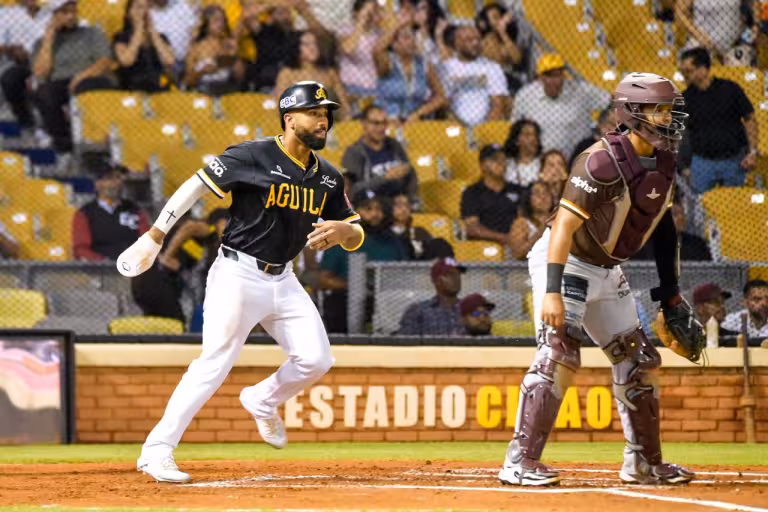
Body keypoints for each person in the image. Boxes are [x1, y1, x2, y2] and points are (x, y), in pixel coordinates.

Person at [116, 81, 364, 483]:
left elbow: (355, 233)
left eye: (326, 114)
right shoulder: (253, 154)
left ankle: (261, 399)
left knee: (317, 359)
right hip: (237, 273)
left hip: (284, 278)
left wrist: (344, 231)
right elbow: (197, 184)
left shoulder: (330, 178)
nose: (323, 120)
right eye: (315, 113)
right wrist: (157, 235)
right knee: (214, 363)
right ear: (289, 119)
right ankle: (156, 450)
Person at [498, 73, 700, 487]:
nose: (669, 117)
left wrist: (671, 295)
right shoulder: (600, 160)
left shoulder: (664, 161)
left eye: (669, 108)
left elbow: (663, 229)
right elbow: (563, 229)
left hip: (608, 268)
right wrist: (552, 292)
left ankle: (644, 464)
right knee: (560, 353)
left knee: (640, 360)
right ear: (634, 113)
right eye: (660, 109)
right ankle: (519, 462)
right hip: (566, 259)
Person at [32, 0, 115, 154]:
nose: (71, 16)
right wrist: (50, 36)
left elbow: (104, 62)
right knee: (44, 93)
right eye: (64, 12)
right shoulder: (42, 43)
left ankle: (94, 141)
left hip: (90, 78)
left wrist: (80, 77)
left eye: (73, 12)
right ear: (54, 16)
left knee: (86, 87)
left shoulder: (92, 33)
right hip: (60, 82)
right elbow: (40, 72)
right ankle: (65, 147)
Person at [318, 192, 406, 333]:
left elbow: (405, 273)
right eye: (368, 209)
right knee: (337, 302)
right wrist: (355, 287)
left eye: (379, 210)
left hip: (388, 298)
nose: (375, 214)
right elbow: (323, 280)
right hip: (347, 298)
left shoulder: (394, 241)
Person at [679, 47, 758, 194]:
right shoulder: (684, 99)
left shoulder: (730, 89)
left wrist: (752, 151)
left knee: (734, 206)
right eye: (683, 72)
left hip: (734, 160)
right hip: (701, 162)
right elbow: (679, 135)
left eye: (688, 71)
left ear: (703, 69)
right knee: (701, 208)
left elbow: (749, 119)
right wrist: (683, 166)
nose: (685, 76)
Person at [512, 53, 611, 159]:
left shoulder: (582, 91)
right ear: (540, 77)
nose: (554, 81)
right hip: (540, 161)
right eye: (549, 75)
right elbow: (515, 127)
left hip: (578, 158)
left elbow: (611, 101)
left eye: (558, 75)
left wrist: (603, 125)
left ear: (563, 75)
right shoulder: (526, 96)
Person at [72, 161, 149, 261]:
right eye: (109, 178)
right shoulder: (85, 214)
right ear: (98, 184)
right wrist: (104, 263)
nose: (116, 183)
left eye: (118, 177)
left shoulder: (136, 211)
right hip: (102, 271)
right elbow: (81, 249)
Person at [341, 104, 418, 204]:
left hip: (398, 203)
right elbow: (353, 190)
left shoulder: (394, 145)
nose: (381, 128)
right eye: (376, 123)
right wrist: (384, 178)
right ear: (364, 123)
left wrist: (408, 198)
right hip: (371, 206)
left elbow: (409, 172)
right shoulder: (353, 153)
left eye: (384, 123)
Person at [374, 22, 446, 123]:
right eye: (406, 38)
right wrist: (398, 24)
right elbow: (377, 50)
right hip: (386, 120)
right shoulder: (388, 62)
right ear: (394, 44)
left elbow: (440, 96)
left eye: (413, 38)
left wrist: (419, 113)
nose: (412, 41)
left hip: (415, 121)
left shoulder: (424, 64)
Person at [439, 24, 508, 125]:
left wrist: (484, 130)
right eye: (469, 40)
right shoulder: (445, 68)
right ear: (457, 43)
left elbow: (498, 104)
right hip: (453, 126)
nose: (475, 43)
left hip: (485, 126)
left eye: (478, 39)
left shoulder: (492, 67)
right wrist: (458, 127)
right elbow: (443, 105)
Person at [274, 30, 350, 120]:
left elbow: (344, 106)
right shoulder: (287, 74)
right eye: (307, 44)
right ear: (296, 48)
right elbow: (281, 107)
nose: (312, 48)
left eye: (315, 44)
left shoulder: (330, 73)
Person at [0, 0, 50, 134]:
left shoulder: (54, 12)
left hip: (52, 61)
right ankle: (27, 123)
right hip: (20, 62)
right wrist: (11, 49)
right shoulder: (7, 13)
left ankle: (53, 126)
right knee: (10, 79)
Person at [460, 143, 522, 248]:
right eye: (495, 159)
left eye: (503, 159)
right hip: (483, 248)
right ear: (483, 165)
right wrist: (503, 238)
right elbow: (472, 228)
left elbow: (525, 219)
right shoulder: (472, 193)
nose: (500, 163)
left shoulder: (517, 190)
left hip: (516, 247)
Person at [112, 0, 175, 92]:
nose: (143, 11)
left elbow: (169, 60)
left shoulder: (160, 38)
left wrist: (152, 31)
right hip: (131, 87)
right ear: (129, 13)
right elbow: (127, 60)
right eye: (139, 7)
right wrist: (138, 30)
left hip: (159, 86)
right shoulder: (121, 38)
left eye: (147, 8)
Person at [184, 5, 244, 96]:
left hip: (226, 92)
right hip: (202, 92)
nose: (220, 24)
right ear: (206, 23)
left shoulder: (227, 44)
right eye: (216, 20)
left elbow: (240, 76)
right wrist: (202, 71)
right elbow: (188, 81)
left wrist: (234, 57)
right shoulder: (195, 48)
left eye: (223, 21)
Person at [398, 257, 465, 335]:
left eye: (458, 274)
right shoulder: (419, 311)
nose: (456, 278)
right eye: (448, 275)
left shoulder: (470, 309)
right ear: (436, 280)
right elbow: (405, 342)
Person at [632, 199, 712, 261]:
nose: (681, 218)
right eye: (675, 214)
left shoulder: (697, 244)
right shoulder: (643, 246)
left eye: (682, 213)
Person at [390, 193, 453, 260]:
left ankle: (446, 267)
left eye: (407, 206)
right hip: (393, 265)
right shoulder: (384, 233)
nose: (404, 210)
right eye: (399, 206)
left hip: (419, 265)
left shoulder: (419, 232)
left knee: (440, 243)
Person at [507, 181, 554, 261]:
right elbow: (518, 254)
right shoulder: (522, 223)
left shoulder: (560, 220)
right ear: (528, 198)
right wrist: (541, 231)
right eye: (537, 193)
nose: (543, 197)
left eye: (546, 192)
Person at [503, 119, 542, 187]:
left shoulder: (544, 164)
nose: (533, 138)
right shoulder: (506, 166)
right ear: (516, 141)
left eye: (535, 135)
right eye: (527, 135)